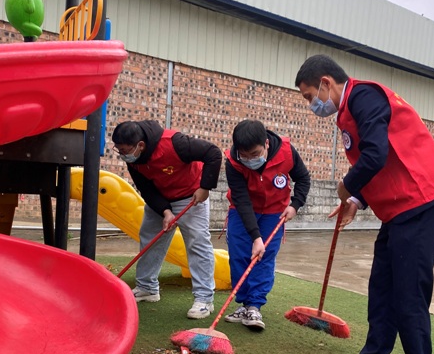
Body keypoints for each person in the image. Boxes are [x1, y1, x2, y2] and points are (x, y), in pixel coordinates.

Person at [295, 54, 434, 354]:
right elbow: (381, 163)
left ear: (326, 82)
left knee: (408, 291)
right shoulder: (350, 110)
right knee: (382, 288)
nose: (312, 105)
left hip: (421, 201)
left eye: (310, 96)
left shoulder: (364, 97)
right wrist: (357, 200)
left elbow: (376, 155)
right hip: (400, 207)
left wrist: (346, 187)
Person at [111, 120, 222, 319]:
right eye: (119, 150)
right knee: (150, 238)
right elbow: (146, 189)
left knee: (197, 244)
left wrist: (205, 187)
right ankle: (147, 288)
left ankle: (204, 299)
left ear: (140, 145)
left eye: (124, 150)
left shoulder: (176, 143)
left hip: (191, 196)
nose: (122, 155)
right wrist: (165, 211)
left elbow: (213, 153)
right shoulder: (133, 158)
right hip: (162, 198)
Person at [224, 119, 311, 330]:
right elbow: (241, 199)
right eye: (244, 155)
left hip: (274, 212)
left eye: (254, 154)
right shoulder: (233, 161)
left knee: (265, 256)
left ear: (266, 144)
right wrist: (256, 237)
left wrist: (295, 205)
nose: (249, 160)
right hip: (243, 210)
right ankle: (244, 304)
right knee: (238, 254)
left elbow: (303, 178)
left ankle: (254, 305)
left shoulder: (287, 153)